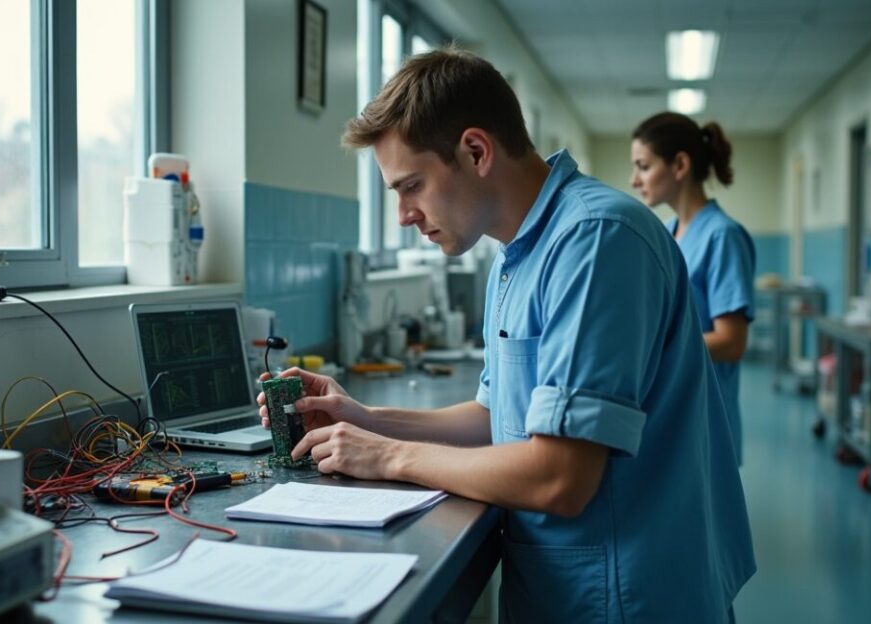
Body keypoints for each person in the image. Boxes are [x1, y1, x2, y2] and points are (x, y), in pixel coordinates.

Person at [258, 48, 755, 622]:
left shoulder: (596, 241)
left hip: (628, 595)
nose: (403, 215)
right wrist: (361, 418)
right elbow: (497, 416)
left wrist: (390, 456)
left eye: (411, 185)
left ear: (475, 151)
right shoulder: (514, 258)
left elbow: (560, 477)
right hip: (565, 588)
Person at [630, 113, 756, 466]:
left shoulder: (722, 236)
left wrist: (647, 350)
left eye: (643, 166)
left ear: (680, 164)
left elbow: (732, 342)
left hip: (706, 413)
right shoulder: (669, 232)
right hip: (673, 406)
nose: (634, 179)